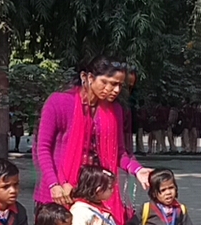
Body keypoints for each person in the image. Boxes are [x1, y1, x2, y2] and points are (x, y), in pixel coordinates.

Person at [34, 57, 150, 214]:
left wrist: (138, 170)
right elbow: (43, 148)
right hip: (58, 193)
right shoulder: (59, 102)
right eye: (108, 83)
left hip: (95, 193)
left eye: (119, 85)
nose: (116, 90)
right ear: (88, 77)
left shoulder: (115, 110)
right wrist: (54, 184)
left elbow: (119, 153)